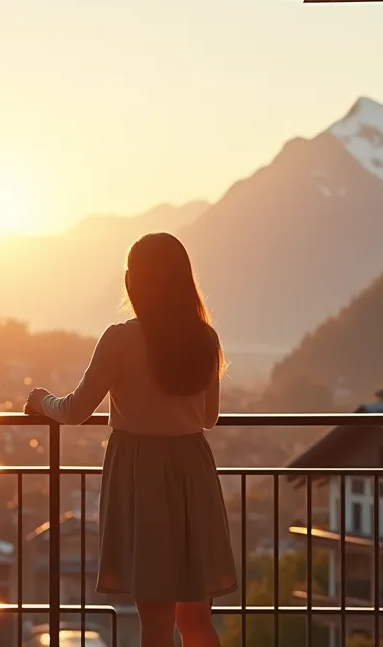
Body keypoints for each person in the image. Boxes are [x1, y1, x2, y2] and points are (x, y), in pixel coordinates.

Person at [24, 232, 237, 647]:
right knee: (195, 619)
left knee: (155, 623)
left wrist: (40, 400)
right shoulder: (204, 339)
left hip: (142, 478)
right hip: (193, 473)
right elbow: (208, 418)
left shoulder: (120, 339)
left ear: (132, 281)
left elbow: (74, 411)